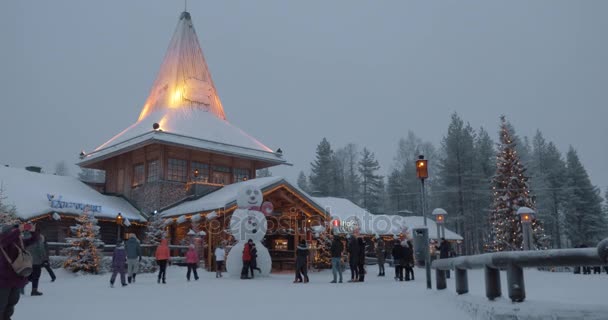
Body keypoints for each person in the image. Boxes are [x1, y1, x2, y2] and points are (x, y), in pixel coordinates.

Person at [1, 223, 40, 319]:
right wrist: (19, 229)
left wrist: (33, 231)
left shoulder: (18, 241)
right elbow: (5, 240)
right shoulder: (3, 240)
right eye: (13, 231)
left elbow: (34, 240)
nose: (17, 233)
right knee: (1, 304)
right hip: (3, 281)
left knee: (11, 303)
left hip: (16, 279)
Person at [24, 226, 45, 296]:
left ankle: (20, 288)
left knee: (26, 274)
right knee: (36, 276)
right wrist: (44, 258)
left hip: (26, 260)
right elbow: (40, 249)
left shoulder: (25, 237)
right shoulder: (37, 238)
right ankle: (34, 290)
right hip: (36, 261)